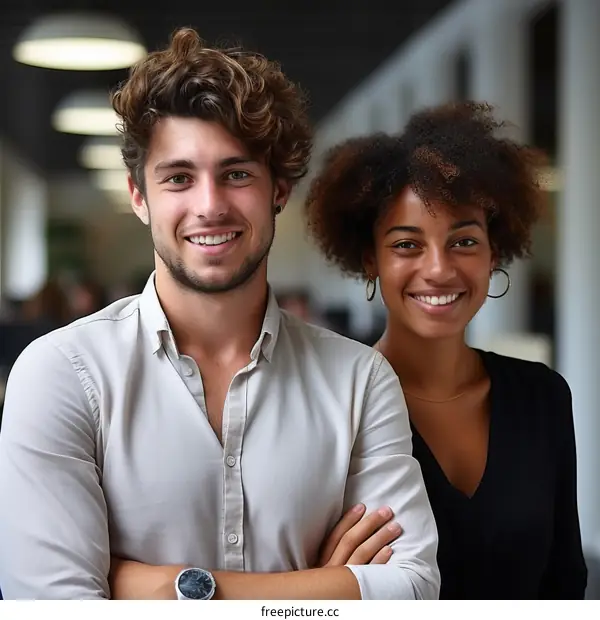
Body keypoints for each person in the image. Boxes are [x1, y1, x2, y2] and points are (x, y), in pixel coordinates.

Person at [0, 28, 440, 600]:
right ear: (140, 197)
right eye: (178, 178)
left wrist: (168, 587)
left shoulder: (360, 380)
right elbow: (54, 609)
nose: (209, 205)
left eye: (236, 174)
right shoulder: (61, 372)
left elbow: (410, 588)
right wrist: (320, 588)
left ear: (279, 189)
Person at [304, 101, 588, 599]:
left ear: (493, 253)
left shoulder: (542, 397)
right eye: (407, 245)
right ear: (370, 259)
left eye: (463, 241)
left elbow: (564, 583)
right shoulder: (328, 406)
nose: (438, 269)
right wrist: (329, 590)